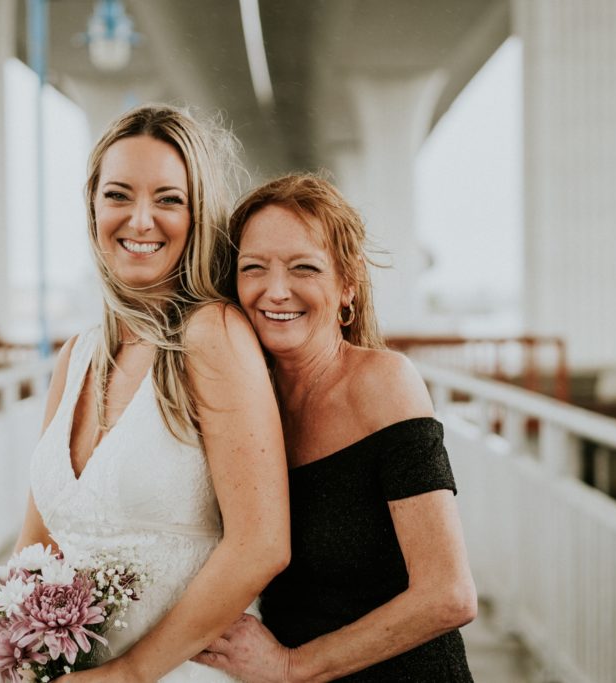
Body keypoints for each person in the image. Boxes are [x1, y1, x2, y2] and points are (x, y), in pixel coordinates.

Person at [14, 104, 290, 682]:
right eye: (118, 195)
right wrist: (18, 653)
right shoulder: (77, 354)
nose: (141, 220)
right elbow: (39, 543)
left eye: (168, 199)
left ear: (198, 215)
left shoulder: (211, 335)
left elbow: (262, 543)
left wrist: (131, 673)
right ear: (92, 208)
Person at [196, 174, 477, 682]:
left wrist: (292, 665)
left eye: (304, 267)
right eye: (253, 268)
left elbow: (449, 594)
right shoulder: (243, 402)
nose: (275, 291)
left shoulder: (384, 384)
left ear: (346, 287)